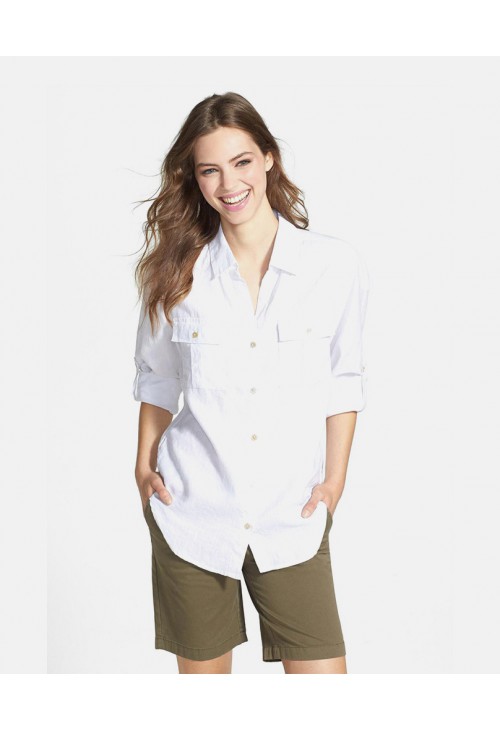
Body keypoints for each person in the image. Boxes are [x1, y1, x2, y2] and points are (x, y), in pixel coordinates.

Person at [132, 91, 369, 674]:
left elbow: (344, 377)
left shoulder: (333, 266)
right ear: (195, 179)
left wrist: (334, 481)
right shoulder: (175, 274)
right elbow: (157, 378)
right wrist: (142, 468)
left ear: (268, 158)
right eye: (209, 170)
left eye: (241, 162)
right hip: (192, 511)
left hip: (291, 516)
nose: (228, 183)